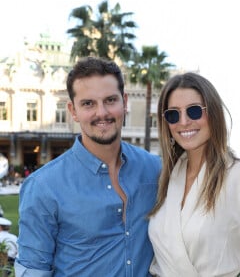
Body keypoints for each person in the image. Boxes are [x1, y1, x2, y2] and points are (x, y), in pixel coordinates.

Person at [15, 57, 161, 276]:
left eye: (110, 100)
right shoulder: (43, 186)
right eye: (88, 103)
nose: (101, 112)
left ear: (125, 102)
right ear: (73, 110)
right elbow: (33, 271)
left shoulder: (155, 170)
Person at [148, 72, 240, 276]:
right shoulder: (169, 178)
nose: (183, 122)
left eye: (194, 111)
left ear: (213, 113)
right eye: (173, 114)